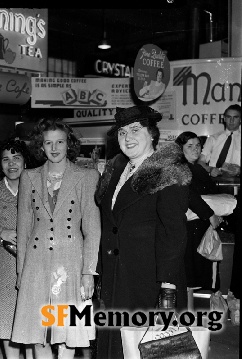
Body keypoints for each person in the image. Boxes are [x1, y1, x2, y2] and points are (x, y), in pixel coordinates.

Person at [94, 106, 191, 359]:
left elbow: (174, 231)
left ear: (152, 134)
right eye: (122, 132)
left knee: (151, 349)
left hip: (150, 280)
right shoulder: (116, 169)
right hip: (117, 277)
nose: (128, 138)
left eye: (136, 130)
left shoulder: (168, 170)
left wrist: (168, 287)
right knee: (116, 346)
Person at [11, 118, 101, 359]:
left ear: (68, 144)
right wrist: (21, 272)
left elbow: (93, 229)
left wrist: (88, 273)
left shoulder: (87, 176)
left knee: (68, 332)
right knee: (37, 329)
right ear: (40, 146)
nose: (54, 148)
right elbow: (23, 228)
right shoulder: (29, 177)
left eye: (59, 142)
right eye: (48, 142)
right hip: (35, 263)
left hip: (71, 263)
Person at [0, 138, 34, 359]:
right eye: (5, 160)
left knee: (32, 319)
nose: (11, 164)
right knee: (5, 318)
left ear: (25, 162)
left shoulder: (38, 189)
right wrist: (1, 234)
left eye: (16, 158)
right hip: (4, 262)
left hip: (35, 260)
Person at [175, 131, 223, 309]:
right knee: (189, 276)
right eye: (190, 146)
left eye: (197, 146)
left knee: (192, 277)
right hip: (190, 228)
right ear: (180, 149)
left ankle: (188, 318)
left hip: (199, 227)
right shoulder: (181, 169)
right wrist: (210, 213)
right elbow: (190, 196)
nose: (195, 149)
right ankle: (186, 319)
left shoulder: (195, 168)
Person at [198, 104, 241, 178]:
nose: (231, 120)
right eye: (228, 117)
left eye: (235, 117)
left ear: (240, 119)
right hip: (214, 182)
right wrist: (210, 169)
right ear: (224, 118)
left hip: (236, 183)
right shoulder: (213, 138)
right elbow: (200, 161)